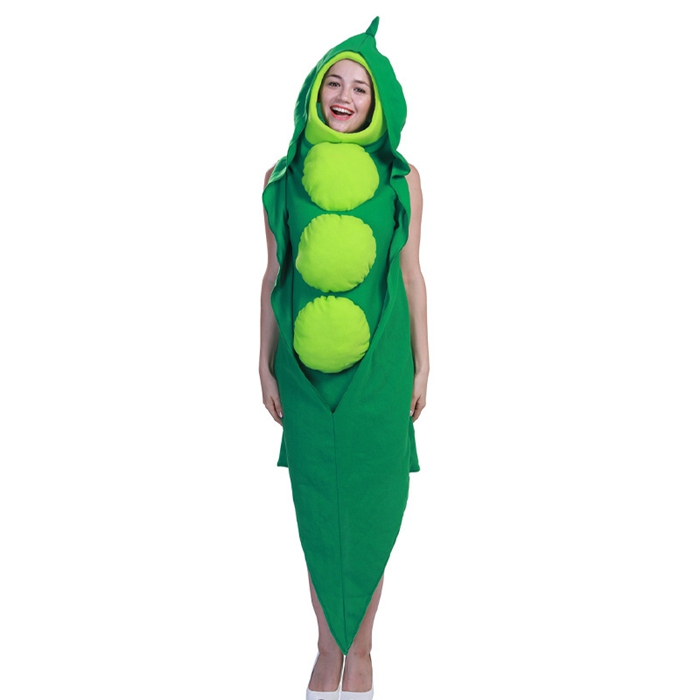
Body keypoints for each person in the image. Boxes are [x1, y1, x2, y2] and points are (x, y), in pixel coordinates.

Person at [260, 18, 428, 700]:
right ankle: (327, 650)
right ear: (314, 92)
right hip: (306, 377)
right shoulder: (282, 177)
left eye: (360, 88)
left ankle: (360, 655)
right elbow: (275, 275)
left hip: (378, 373)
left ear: (378, 103)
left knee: (371, 508)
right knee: (319, 514)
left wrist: (423, 365)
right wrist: (263, 363)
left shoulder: (402, 179)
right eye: (334, 82)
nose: (344, 96)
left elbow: (411, 274)